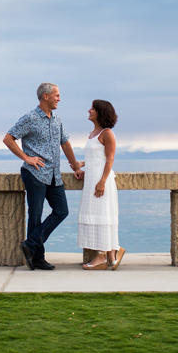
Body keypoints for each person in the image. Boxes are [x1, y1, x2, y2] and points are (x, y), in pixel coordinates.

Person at [3, 82, 82, 270]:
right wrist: (27, 158)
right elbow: (8, 138)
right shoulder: (30, 118)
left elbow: (66, 144)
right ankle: (37, 259)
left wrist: (75, 165)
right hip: (35, 173)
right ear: (45, 96)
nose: (59, 99)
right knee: (35, 216)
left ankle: (30, 246)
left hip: (54, 175)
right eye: (57, 95)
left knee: (62, 211)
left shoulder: (57, 119)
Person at [77, 99, 125, 270]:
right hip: (91, 179)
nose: (89, 110)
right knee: (94, 215)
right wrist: (80, 165)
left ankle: (102, 256)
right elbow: (96, 157)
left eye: (92, 109)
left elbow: (110, 159)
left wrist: (103, 181)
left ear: (100, 112)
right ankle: (112, 252)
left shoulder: (107, 133)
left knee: (103, 216)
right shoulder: (93, 133)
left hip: (101, 181)